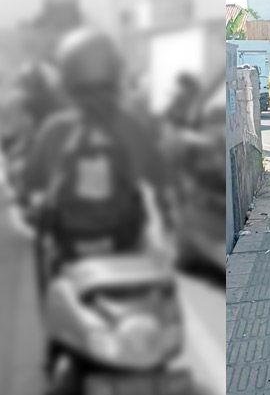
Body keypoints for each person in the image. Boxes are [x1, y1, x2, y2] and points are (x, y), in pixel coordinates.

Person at [21, 28, 176, 283]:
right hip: (126, 245)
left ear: (67, 80)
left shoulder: (54, 129)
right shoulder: (132, 125)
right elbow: (161, 178)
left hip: (69, 248)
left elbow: (31, 184)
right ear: (116, 75)